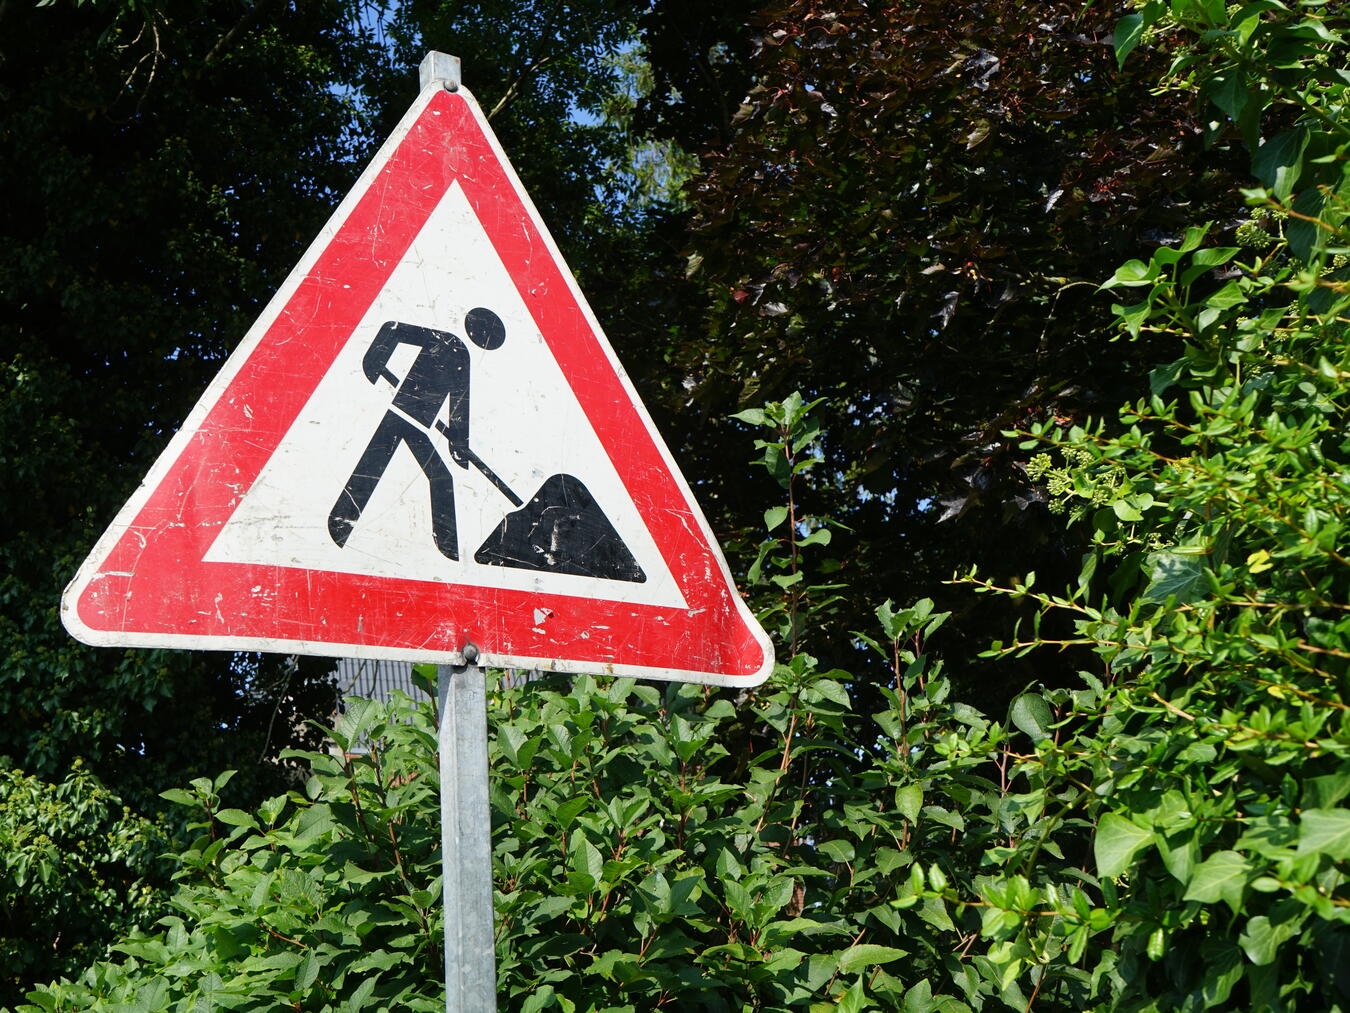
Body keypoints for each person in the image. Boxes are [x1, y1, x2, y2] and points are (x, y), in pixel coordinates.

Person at [327, 307, 506, 560]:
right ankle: (339, 523)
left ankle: (449, 550)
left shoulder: (462, 356)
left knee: (433, 475)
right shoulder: (448, 342)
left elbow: (459, 405)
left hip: (417, 425)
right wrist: (374, 362)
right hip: (399, 416)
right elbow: (393, 328)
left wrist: (458, 444)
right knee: (378, 466)